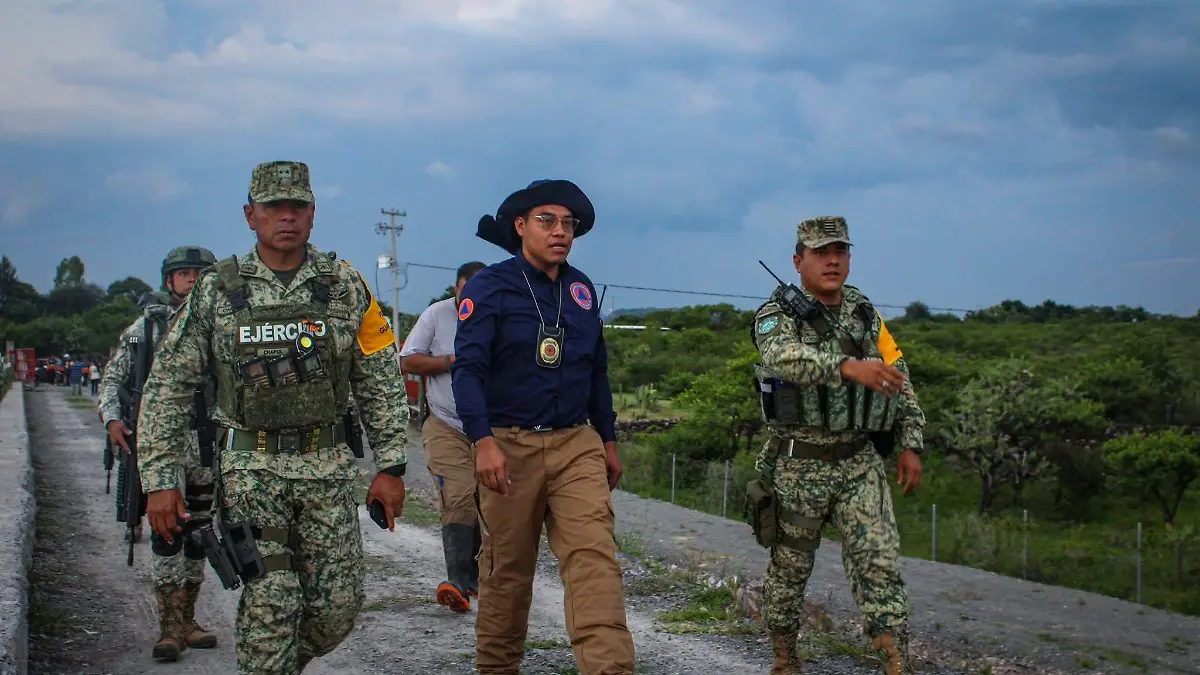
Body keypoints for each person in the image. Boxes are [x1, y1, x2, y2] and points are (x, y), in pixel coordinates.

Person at [136, 160, 411, 675]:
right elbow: (169, 385)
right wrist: (159, 479)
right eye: (273, 207)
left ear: (312, 213)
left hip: (327, 468)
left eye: (297, 206)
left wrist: (391, 465)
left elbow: (378, 375)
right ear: (250, 215)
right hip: (251, 470)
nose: (287, 217)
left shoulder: (344, 284)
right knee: (273, 600)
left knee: (338, 609)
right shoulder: (216, 289)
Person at [453, 179, 634, 675]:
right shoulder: (490, 287)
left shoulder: (579, 292)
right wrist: (483, 441)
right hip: (509, 446)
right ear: (520, 226)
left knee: (595, 562)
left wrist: (609, 440)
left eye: (568, 224)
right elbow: (468, 371)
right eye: (547, 221)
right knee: (506, 574)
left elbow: (595, 370)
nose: (560, 232)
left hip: (577, 443)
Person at [749, 216, 926, 675]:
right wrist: (848, 367)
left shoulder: (864, 312)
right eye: (821, 252)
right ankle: (785, 660)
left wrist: (910, 442)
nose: (832, 261)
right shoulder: (776, 315)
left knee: (879, 563)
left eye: (840, 252)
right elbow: (781, 356)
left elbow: (896, 372)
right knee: (788, 573)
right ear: (798, 260)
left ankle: (895, 662)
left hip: (858, 462)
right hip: (798, 464)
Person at [99, 245, 220, 662]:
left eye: (198, 274)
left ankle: (188, 620)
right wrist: (113, 421)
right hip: (159, 445)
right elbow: (113, 379)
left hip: (206, 445)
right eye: (183, 274)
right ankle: (168, 628)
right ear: (169, 280)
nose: (191, 280)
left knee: (200, 534)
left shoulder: (222, 326)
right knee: (166, 533)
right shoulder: (145, 328)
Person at [399, 260, 487, 613]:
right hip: (446, 423)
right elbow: (408, 361)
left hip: (492, 428)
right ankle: (458, 583)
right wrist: (451, 361)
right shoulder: (438, 315)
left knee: (489, 500)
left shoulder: (504, 315)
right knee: (460, 495)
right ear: (457, 289)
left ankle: (480, 577)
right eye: (468, 293)